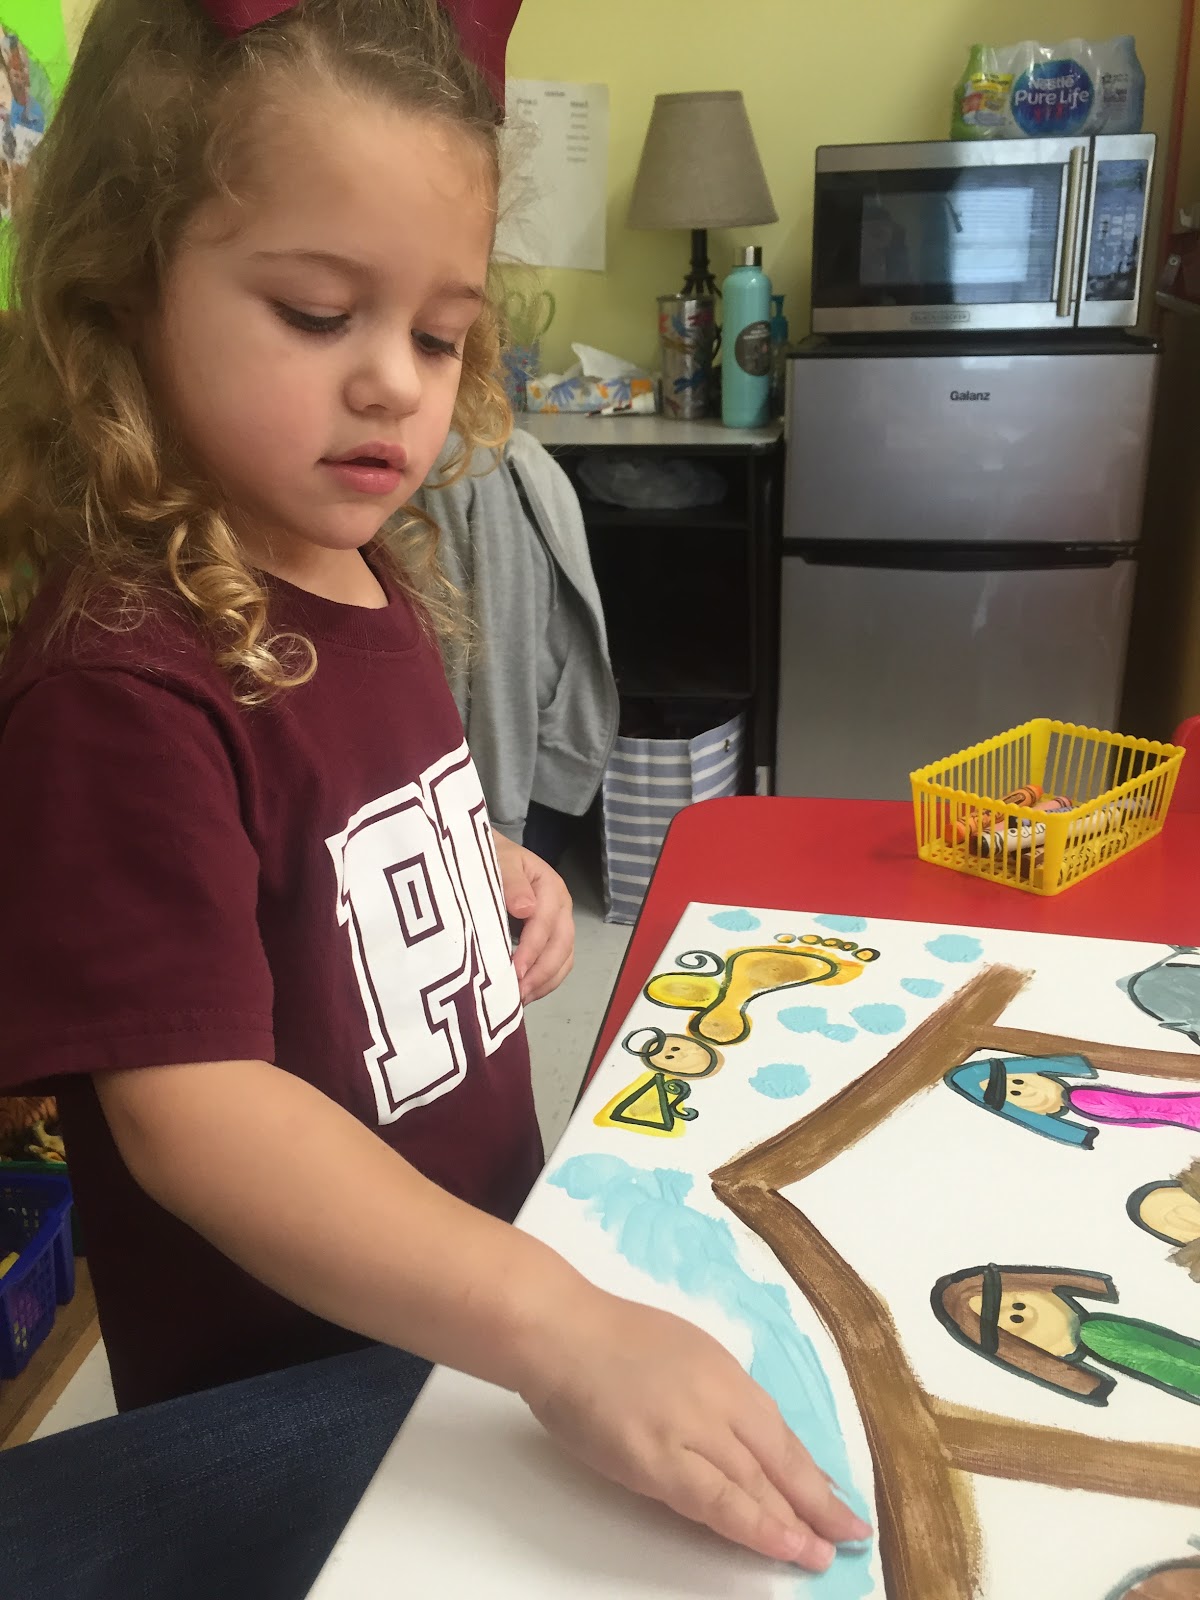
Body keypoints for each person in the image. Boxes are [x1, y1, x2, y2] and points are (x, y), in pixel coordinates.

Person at [0, 0, 868, 1581]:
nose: (396, 385)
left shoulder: (357, 562)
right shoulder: (118, 677)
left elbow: (334, 839)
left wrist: (489, 872)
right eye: (319, 313)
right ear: (123, 291)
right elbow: (201, 1117)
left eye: (440, 333)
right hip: (309, 1394)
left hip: (472, 1315)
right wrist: (556, 1328)